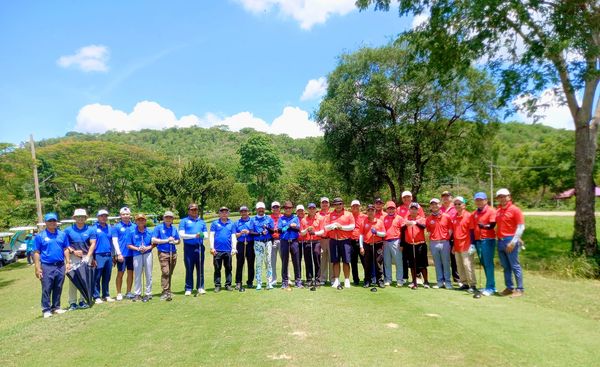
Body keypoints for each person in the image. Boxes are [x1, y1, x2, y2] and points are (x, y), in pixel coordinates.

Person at [33, 213, 70, 318]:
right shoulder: (40, 236)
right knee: (47, 287)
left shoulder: (62, 234)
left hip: (60, 265)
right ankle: (46, 309)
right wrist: (37, 267)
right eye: (50, 221)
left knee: (58, 286)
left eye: (54, 221)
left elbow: (66, 249)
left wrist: (68, 262)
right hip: (47, 266)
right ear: (46, 223)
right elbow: (36, 252)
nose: (52, 223)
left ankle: (56, 307)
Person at [495, 188, 526, 298]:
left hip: (510, 240)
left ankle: (520, 289)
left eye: (504, 196)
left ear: (509, 197)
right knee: (506, 266)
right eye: (500, 197)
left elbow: (521, 227)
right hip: (500, 241)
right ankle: (509, 287)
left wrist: (513, 242)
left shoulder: (515, 210)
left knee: (515, 266)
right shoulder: (498, 211)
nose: (502, 199)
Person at [63, 209, 93, 310]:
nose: (81, 218)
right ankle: (72, 302)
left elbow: (93, 244)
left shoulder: (90, 229)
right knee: (73, 280)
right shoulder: (68, 230)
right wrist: (73, 251)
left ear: (85, 218)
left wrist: (88, 256)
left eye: (83, 217)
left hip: (86, 257)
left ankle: (82, 300)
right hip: (73, 257)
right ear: (74, 218)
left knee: (84, 279)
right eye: (78, 217)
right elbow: (65, 245)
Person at [324, 197, 355, 289]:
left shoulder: (348, 214)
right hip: (334, 240)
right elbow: (326, 227)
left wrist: (341, 227)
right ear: (334, 205)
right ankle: (336, 280)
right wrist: (333, 226)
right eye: (336, 204)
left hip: (345, 240)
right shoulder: (330, 215)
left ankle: (346, 280)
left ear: (343, 204)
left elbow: (352, 226)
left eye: (340, 204)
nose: (338, 206)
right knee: (335, 261)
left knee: (346, 261)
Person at [179, 203, 208, 296]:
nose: (194, 211)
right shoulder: (184, 221)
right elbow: (182, 235)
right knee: (189, 268)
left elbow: (206, 236)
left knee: (200, 268)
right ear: (189, 211)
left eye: (195, 209)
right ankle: (188, 288)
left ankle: (200, 287)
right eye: (192, 209)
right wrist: (194, 236)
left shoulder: (201, 222)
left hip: (199, 247)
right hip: (188, 248)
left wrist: (201, 235)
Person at [471, 192, 497, 296]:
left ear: (486, 200)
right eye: (477, 200)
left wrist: (484, 226)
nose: (479, 202)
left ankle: (491, 287)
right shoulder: (474, 213)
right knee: (483, 262)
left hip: (488, 240)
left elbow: (492, 225)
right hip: (478, 240)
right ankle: (489, 286)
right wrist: (472, 243)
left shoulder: (491, 211)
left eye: (481, 200)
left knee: (488, 263)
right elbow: (472, 229)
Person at [396, 191, 424, 283]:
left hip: (416, 234)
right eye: (404, 197)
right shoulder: (399, 209)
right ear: (402, 198)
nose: (406, 199)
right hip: (404, 234)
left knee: (417, 257)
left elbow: (421, 220)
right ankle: (405, 276)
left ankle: (418, 275)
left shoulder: (417, 207)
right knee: (405, 257)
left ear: (411, 197)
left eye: (408, 197)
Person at [152, 211, 180, 300]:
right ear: (164, 218)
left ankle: (168, 291)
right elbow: (154, 240)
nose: (168, 219)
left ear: (172, 219)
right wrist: (166, 240)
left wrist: (174, 241)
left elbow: (178, 241)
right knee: (165, 272)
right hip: (163, 252)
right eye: (166, 217)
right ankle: (165, 291)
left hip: (173, 252)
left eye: (170, 218)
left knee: (170, 272)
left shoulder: (174, 228)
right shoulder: (158, 228)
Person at [401, 203, 430, 289]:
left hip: (420, 244)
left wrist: (415, 222)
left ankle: (426, 281)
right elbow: (402, 229)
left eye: (415, 209)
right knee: (412, 265)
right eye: (412, 209)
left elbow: (423, 226)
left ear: (418, 210)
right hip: (410, 245)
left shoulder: (421, 219)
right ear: (409, 210)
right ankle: (414, 282)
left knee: (422, 265)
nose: (413, 210)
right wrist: (407, 224)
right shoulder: (406, 219)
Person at [451, 197, 477, 292]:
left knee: (468, 265)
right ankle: (465, 283)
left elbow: (472, 231)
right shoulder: (454, 217)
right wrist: (453, 245)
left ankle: (472, 285)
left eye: (459, 204)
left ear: (464, 205)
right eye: (456, 204)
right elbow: (454, 232)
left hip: (466, 245)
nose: (457, 205)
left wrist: (473, 245)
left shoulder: (469, 216)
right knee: (460, 265)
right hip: (457, 245)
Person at [426, 198, 453, 289]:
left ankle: (448, 282)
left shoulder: (446, 216)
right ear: (430, 206)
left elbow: (450, 229)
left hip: (444, 242)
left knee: (446, 263)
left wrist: (446, 238)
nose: (434, 206)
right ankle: (440, 282)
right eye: (432, 204)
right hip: (434, 243)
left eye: (436, 204)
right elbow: (429, 231)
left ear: (440, 205)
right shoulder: (429, 218)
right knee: (437, 263)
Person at [90, 209, 116, 304]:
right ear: (98, 217)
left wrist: (113, 256)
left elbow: (112, 243)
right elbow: (91, 244)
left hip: (108, 255)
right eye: (101, 216)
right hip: (98, 255)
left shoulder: (110, 228)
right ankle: (96, 296)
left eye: (105, 216)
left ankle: (106, 295)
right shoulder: (93, 228)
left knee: (107, 276)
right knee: (97, 276)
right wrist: (92, 258)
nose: (103, 218)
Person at [128, 214, 154, 302]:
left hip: (148, 253)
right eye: (139, 220)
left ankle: (148, 293)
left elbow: (154, 243)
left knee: (148, 274)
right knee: (137, 274)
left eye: (142, 220)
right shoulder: (132, 232)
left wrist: (148, 247)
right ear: (136, 221)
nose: (141, 221)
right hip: (136, 254)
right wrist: (138, 248)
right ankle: (137, 293)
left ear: (145, 221)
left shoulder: (150, 231)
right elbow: (129, 245)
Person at [210, 207, 237, 292]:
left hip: (228, 250)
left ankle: (228, 284)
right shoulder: (215, 223)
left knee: (228, 268)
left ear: (228, 213)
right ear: (219, 213)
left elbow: (233, 237)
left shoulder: (231, 224)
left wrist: (234, 248)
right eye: (222, 212)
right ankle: (217, 285)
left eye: (226, 212)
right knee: (217, 268)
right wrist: (212, 247)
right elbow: (211, 236)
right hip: (217, 250)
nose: (224, 213)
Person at [359, 204, 386, 288]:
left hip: (377, 245)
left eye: (372, 210)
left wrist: (377, 233)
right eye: (369, 210)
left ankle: (379, 281)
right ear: (367, 212)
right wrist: (361, 246)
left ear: (375, 211)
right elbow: (361, 235)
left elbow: (384, 233)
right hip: (367, 244)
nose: (370, 212)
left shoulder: (379, 222)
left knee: (378, 263)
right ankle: (367, 280)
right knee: (367, 263)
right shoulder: (363, 222)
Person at [250, 202, 275, 290]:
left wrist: (267, 228)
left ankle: (269, 282)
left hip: (268, 242)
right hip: (258, 243)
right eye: (259, 209)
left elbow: (273, 231)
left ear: (264, 209)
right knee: (259, 263)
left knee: (268, 262)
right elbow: (251, 232)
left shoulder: (269, 219)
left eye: (262, 208)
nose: (261, 210)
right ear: (256, 209)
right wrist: (260, 233)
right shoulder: (253, 220)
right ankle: (259, 283)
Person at [277, 201, 301, 289]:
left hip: (294, 241)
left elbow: (298, 229)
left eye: (290, 208)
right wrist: (288, 226)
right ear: (284, 209)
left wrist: (292, 227)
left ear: (292, 209)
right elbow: (280, 230)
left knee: (296, 261)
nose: (288, 209)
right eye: (286, 208)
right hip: (284, 241)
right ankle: (284, 281)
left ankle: (298, 281)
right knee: (284, 262)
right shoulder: (281, 219)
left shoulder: (295, 218)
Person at [112, 207, 134, 301]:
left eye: (127, 214)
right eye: (123, 214)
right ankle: (119, 293)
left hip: (132, 254)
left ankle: (129, 292)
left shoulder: (134, 226)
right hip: (122, 254)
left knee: (130, 273)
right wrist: (118, 253)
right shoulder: (116, 227)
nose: (125, 216)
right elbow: (115, 241)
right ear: (120, 215)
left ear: (130, 215)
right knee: (120, 273)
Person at [382, 201, 405, 287]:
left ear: (395, 209)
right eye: (389, 208)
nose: (391, 210)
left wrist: (402, 243)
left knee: (398, 262)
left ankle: (399, 279)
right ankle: (388, 279)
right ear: (386, 210)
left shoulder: (399, 218)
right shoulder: (384, 218)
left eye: (392, 208)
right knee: (387, 262)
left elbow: (403, 232)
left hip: (396, 241)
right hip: (386, 241)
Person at [441, 191, 460, 285]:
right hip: (443, 236)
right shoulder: (439, 209)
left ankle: (457, 278)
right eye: (443, 196)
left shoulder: (456, 207)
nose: (445, 198)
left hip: (454, 235)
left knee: (454, 258)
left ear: (451, 197)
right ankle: (444, 277)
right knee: (444, 258)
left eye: (447, 196)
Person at [300, 203, 321, 288]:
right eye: (310, 208)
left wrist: (315, 232)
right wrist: (307, 229)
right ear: (307, 209)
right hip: (307, 242)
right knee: (308, 260)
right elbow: (301, 233)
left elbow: (322, 231)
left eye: (313, 208)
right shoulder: (303, 220)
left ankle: (317, 279)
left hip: (316, 241)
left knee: (317, 259)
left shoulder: (319, 219)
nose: (312, 209)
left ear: (315, 209)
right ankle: (309, 279)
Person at [234, 206, 255, 292]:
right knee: (240, 263)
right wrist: (240, 233)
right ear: (240, 213)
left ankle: (250, 281)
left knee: (250, 263)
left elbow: (254, 232)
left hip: (250, 244)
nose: (244, 213)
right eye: (242, 211)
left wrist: (248, 232)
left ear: (248, 212)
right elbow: (234, 234)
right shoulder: (237, 223)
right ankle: (238, 282)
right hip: (241, 244)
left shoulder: (252, 221)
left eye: (245, 211)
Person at [350, 200, 367, 286]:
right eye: (354, 206)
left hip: (361, 241)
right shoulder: (349, 216)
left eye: (357, 206)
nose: (355, 207)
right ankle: (355, 279)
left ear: (359, 206)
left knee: (365, 261)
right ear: (351, 207)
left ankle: (367, 278)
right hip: (351, 241)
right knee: (353, 262)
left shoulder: (364, 216)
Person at [317, 197, 332, 285]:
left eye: (326, 202)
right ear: (320, 204)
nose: (325, 204)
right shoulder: (317, 214)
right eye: (323, 202)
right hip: (321, 239)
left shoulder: (332, 214)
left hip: (331, 239)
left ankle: (332, 278)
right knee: (322, 259)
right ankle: (323, 278)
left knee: (332, 259)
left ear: (329, 204)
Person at [269, 201, 282, 287]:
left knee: (285, 260)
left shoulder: (283, 217)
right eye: (274, 207)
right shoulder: (269, 218)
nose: (276, 209)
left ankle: (287, 278)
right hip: (272, 240)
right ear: (271, 209)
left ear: (279, 208)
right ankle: (273, 279)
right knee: (272, 261)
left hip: (282, 240)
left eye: (277, 207)